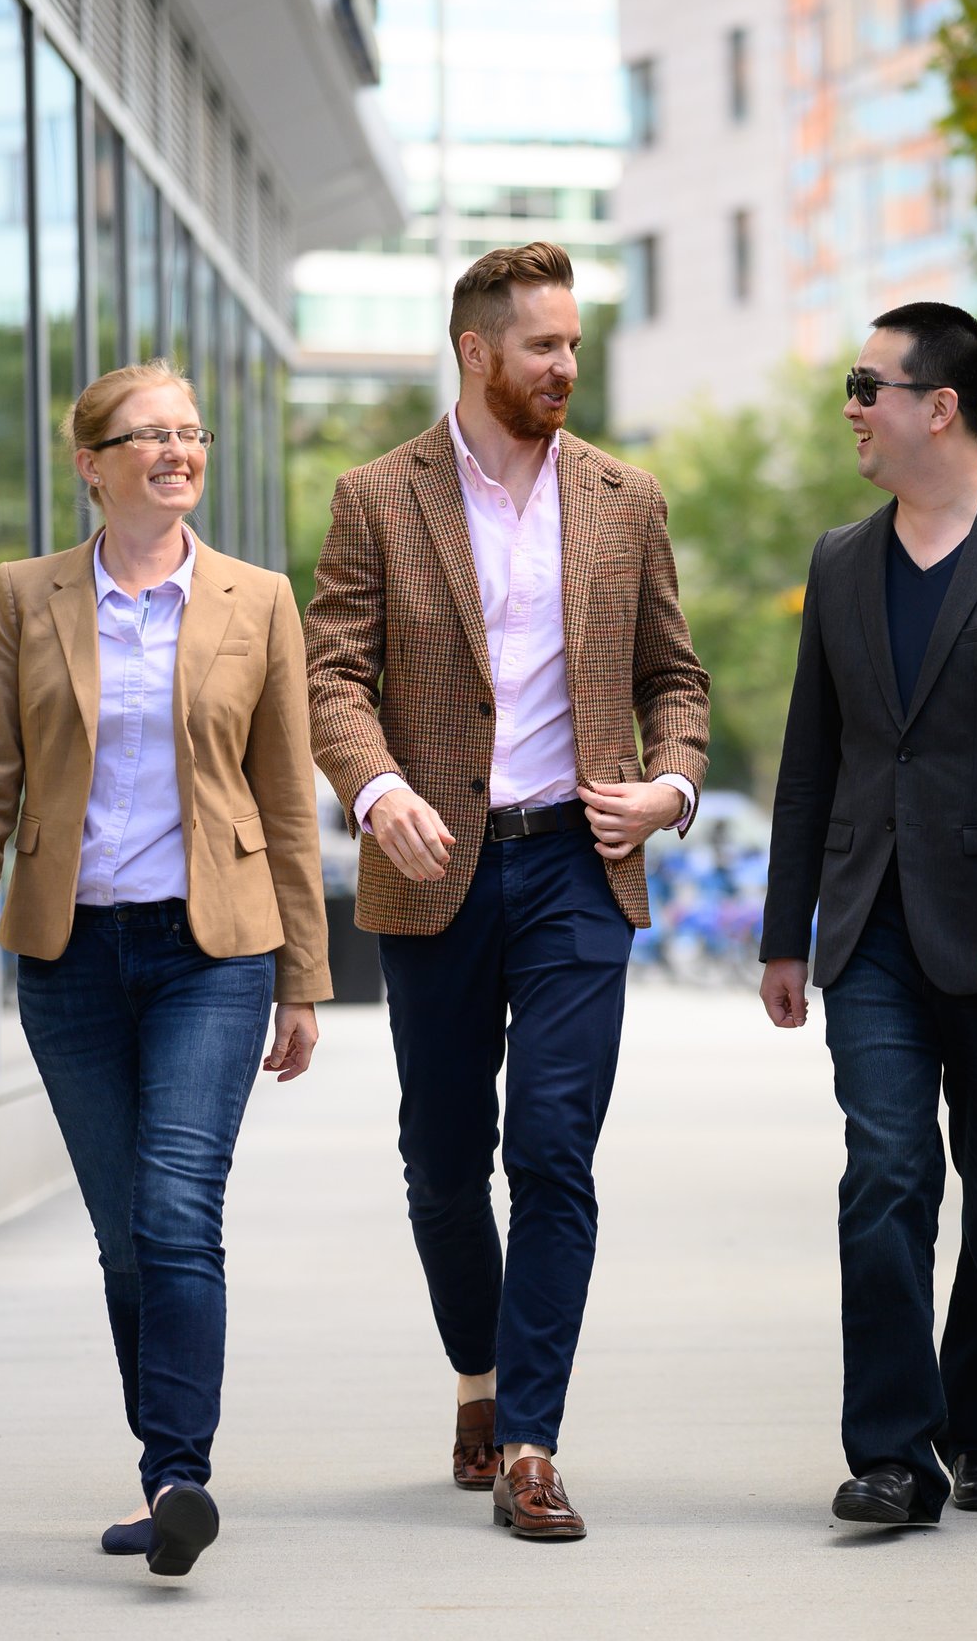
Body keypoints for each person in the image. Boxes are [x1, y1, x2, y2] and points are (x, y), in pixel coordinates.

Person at [303, 242, 709, 1543]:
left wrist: (670, 785)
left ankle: (532, 1439)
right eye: (544, 345)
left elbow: (673, 677)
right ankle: (477, 1375)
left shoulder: (625, 497)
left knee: (550, 1145)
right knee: (441, 1159)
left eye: (574, 343)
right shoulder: (378, 496)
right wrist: (377, 789)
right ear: (477, 352)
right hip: (434, 865)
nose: (566, 365)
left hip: (580, 863)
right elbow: (331, 676)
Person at [0, 360, 331, 1577]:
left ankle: (177, 1477)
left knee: (175, 1209)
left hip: (213, 951)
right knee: (122, 1237)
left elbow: (287, 800)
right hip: (72, 954)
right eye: (148, 434)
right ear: (90, 464)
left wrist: (302, 977)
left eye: (189, 432)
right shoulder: (26, 596)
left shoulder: (259, 599)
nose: (176, 451)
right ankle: (164, 1474)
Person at [759, 303, 977, 1527]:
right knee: (886, 1170)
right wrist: (786, 931)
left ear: (940, 405)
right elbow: (811, 759)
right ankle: (892, 1453)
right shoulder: (838, 560)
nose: (851, 408)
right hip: (869, 929)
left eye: (869, 386)